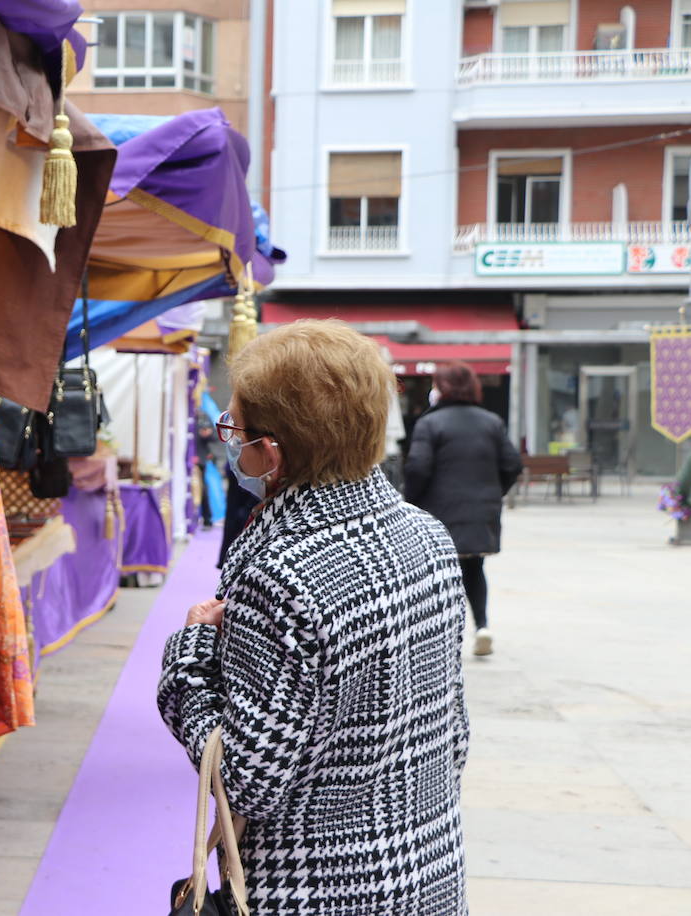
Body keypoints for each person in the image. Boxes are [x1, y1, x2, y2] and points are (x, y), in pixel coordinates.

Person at [158, 320, 469, 914]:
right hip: (426, 870)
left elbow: (246, 777)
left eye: (235, 429)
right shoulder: (427, 536)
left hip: (319, 889)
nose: (232, 443)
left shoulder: (280, 573)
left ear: (270, 454)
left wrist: (190, 653)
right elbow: (453, 730)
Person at [405, 361, 522, 658]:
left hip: (438, 513)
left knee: (436, 575)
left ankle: (439, 635)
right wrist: (495, 493)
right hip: (480, 511)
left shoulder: (430, 423)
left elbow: (418, 468)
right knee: (474, 568)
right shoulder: (490, 421)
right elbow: (512, 464)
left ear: (440, 388)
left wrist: (410, 504)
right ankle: (482, 626)